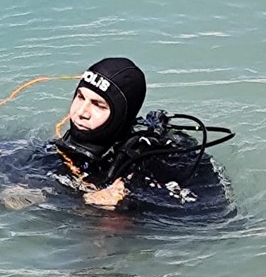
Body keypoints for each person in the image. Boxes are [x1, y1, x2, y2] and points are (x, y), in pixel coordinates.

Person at [43, 57, 234, 218]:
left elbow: (213, 214)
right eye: (80, 97)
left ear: (121, 114)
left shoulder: (162, 160)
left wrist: (128, 201)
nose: (81, 112)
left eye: (98, 105)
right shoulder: (55, 151)